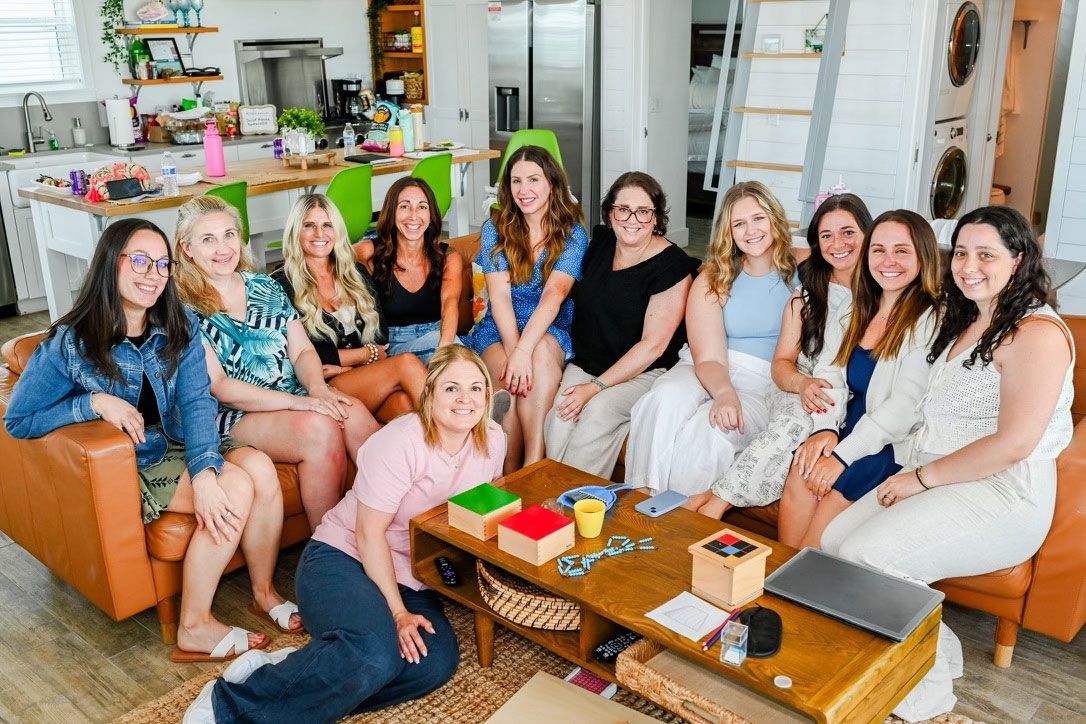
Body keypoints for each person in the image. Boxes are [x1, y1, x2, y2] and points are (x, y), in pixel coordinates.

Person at [4, 219, 300, 661]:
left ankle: (263, 592)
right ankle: (194, 627)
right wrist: (94, 403)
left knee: (259, 468)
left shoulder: (178, 323)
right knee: (236, 487)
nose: (153, 274)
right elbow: (19, 419)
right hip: (139, 455)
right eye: (140, 260)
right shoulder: (73, 342)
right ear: (112, 263)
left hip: (182, 437)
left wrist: (204, 472)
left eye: (162, 264)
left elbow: (197, 401)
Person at [820, 206, 1074, 720]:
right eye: (961, 253)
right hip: (940, 474)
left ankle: (926, 704)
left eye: (986, 255)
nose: (969, 266)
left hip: (1003, 492)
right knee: (833, 543)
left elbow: (1014, 443)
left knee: (872, 557)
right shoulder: (969, 316)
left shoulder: (1037, 334)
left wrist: (919, 478)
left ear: (1018, 259)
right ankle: (937, 648)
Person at [185, 346, 506, 723]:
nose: (465, 399)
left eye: (475, 388)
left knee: (432, 663)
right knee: (374, 655)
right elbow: (368, 534)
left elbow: (482, 512)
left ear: (487, 394)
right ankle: (228, 703)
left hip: (409, 574)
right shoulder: (402, 441)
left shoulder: (493, 439)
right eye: (452, 388)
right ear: (430, 393)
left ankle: (307, 666)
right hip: (342, 559)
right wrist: (399, 613)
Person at [173, 195, 379, 530]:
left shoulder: (265, 285)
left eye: (229, 235)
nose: (223, 248)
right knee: (319, 427)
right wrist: (300, 403)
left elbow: (302, 351)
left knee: (350, 411)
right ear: (186, 248)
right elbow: (221, 387)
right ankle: (328, 541)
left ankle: (390, 520)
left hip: (295, 394)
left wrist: (318, 389)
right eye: (208, 239)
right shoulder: (182, 309)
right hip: (232, 414)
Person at [694, 193, 871, 519]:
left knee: (807, 426)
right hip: (801, 382)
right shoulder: (807, 293)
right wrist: (801, 384)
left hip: (848, 392)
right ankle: (715, 505)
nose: (837, 244)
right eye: (826, 236)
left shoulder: (885, 292)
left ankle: (712, 496)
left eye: (848, 232)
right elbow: (782, 364)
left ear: (868, 234)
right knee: (795, 421)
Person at [777, 209, 940, 548]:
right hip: (846, 425)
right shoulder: (855, 308)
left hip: (890, 442)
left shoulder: (931, 318)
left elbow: (905, 408)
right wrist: (824, 430)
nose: (888, 261)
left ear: (923, 256)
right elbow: (829, 372)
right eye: (878, 250)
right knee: (801, 473)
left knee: (818, 533)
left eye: (901, 251)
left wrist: (841, 457)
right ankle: (778, 574)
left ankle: (799, 576)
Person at [624, 181, 796, 495]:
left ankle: (676, 513)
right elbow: (709, 358)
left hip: (762, 382)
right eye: (739, 224)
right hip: (705, 365)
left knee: (710, 429)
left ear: (774, 219)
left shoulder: (801, 272)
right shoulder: (714, 278)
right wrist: (724, 392)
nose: (751, 231)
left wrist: (729, 399)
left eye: (758, 218)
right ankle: (642, 496)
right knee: (663, 399)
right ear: (728, 232)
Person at [544, 172, 696, 477]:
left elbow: (653, 347)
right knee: (560, 416)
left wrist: (594, 388)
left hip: (643, 372)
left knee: (597, 413)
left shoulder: (673, 266)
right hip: (589, 362)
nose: (632, 220)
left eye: (643, 211)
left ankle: (572, 501)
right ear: (610, 212)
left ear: (656, 217)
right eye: (623, 209)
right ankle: (550, 497)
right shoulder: (601, 242)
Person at [466, 145, 589, 471]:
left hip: (550, 325)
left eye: (533, 179)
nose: (524, 190)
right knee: (510, 385)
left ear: (552, 183)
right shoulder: (495, 228)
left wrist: (525, 351)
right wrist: (515, 351)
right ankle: (510, 472)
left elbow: (553, 296)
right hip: (500, 327)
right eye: (516, 181)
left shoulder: (573, 234)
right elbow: (500, 297)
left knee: (539, 355)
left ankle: (534, 463)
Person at [273, 193, 426, 417]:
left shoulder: (355, 273)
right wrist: (365, 354)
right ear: (296, 231)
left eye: (327, 225)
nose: (319, 234)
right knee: (407, 363)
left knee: (404, 404)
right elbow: (309, 354)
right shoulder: (281, 283)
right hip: (322, 384)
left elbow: (381, 338)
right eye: (309, 226)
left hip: (361, 376)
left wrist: (346, 363)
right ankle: (458, 430)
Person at [355, 177, 464, 365]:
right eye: (404, 206)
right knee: (456, 354)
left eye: (422, 207)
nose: (414, 215)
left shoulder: (448, 257)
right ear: (392, 212)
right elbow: (331, 258)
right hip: (394, 346)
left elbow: (450, 303)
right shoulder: (369, 252)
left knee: (458, 353)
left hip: (440, 336)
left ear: (431, 215)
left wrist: (446, 348)